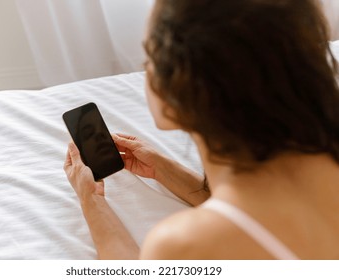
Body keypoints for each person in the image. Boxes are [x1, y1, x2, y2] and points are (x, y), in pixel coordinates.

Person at [64, 0, 339, 259]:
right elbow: (262, 216)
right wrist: (163, 169)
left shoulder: (184, 245)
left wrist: (91, 200)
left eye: (149, 61)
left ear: (175, 93)